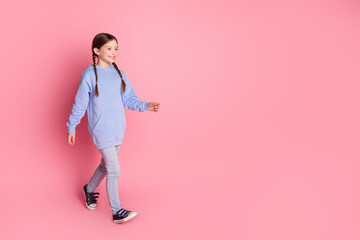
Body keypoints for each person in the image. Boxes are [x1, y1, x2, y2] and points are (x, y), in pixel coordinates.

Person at [66, 33, 160, 224]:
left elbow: (129, 99)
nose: (114, 52)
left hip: (118, 129)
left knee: (105, 166)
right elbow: (80, 103)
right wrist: (72, 126)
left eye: (116, 48)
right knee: (114, 170)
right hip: (101, 129)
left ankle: (89, 189)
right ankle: (117, 211)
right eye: (109, 48)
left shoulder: (119, 74)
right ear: (96, 50)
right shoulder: (90, 75)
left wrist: (146, 105)